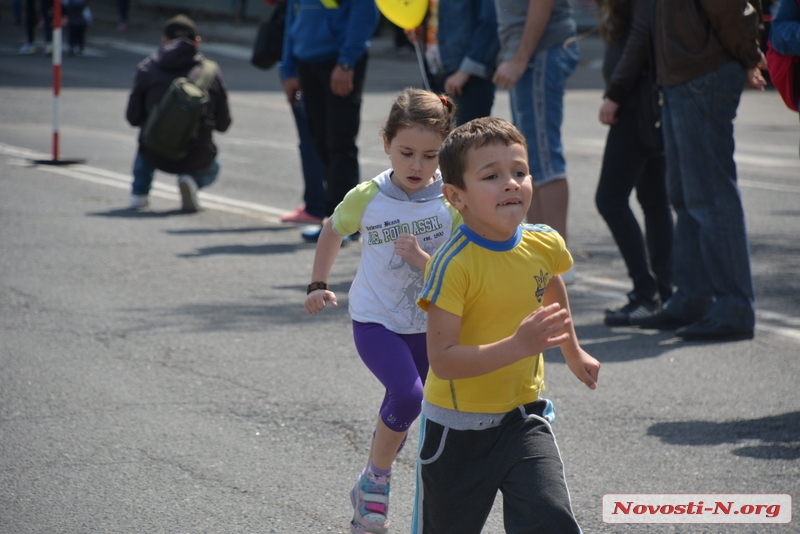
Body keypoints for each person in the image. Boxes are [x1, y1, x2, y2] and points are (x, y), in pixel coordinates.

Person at [412, 117, 599, 533]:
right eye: (492, 176)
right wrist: (518, 345)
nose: (511, 183)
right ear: (456, 197)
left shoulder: (544, 243)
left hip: (524, 417)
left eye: (519, 171)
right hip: (457, 430)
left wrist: (573, 350)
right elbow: (442, 361)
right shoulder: (453, 264)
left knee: (550, 519)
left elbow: (551, 287)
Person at [304, 89, 460, 534]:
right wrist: (318, 284)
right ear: (386, 143)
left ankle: (370, 492)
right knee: (409, 395)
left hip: (428, 325)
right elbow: (332, 230)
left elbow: (462, 266)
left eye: (430, 156)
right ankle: (376, 481)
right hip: (375, 321)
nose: (417, 166)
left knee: (408, 407)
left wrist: (424, 263)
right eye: (406, 152)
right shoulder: (368, 196)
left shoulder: (451, 199)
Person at [631, 0, 766, 341]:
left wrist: (749, 55)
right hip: (683, 75)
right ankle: (692, 298)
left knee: (711, 197)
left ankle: (734, 308)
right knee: (685, 196)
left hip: (703, 73)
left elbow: (734, 8)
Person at [595, 0, 673, 326]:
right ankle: (664, 293)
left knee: (610, 199)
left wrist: (615, 93)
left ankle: (647, 292)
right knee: (654, 200)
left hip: (635, 101)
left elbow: (641, 37)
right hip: (644, 99)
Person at [492, 0, 580, 283]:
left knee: (543, 155)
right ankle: (543, 257)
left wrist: (520, 58)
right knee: (532, 162)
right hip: (529, 52)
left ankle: (559, 262)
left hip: (540, 51)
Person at [280, 0, 379, 242]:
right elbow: (293, 16)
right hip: (307, 62)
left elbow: (364, 14)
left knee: (340, 143)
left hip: (338, 62)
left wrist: (347, 61)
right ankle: (333, 219)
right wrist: (288, 69)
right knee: (320, 141)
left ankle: (345, 224)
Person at [125, 14, 232, 213]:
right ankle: (193, 181)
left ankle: (139, 192)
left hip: (154, 152)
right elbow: (223, 124)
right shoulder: (211, 71)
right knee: (214, 166)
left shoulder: (148, 67)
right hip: (196, 156)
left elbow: (133, 118)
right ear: (197, 42)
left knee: (144, 141)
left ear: (164, 40)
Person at [408, 0, 499, 126]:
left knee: (466, 140)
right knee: (432, 138)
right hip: (433, 70)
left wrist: (466, 71)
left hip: (467, 78)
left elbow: (491, 23)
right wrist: (420, 30)